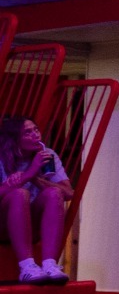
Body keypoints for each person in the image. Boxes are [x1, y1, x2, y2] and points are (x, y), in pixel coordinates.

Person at [3, 117, 72, 285]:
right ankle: (27, 267)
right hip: (3, 223)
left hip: (31, 224)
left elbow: (68, 193)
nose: (35, 135)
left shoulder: (47, 155)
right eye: (27, 132)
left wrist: (34, 177)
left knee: (54, 193)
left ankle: (50, 265)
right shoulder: (2, 157)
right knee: (19, 194)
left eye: (36, 129)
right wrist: (28, 174)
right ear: (14, 139)